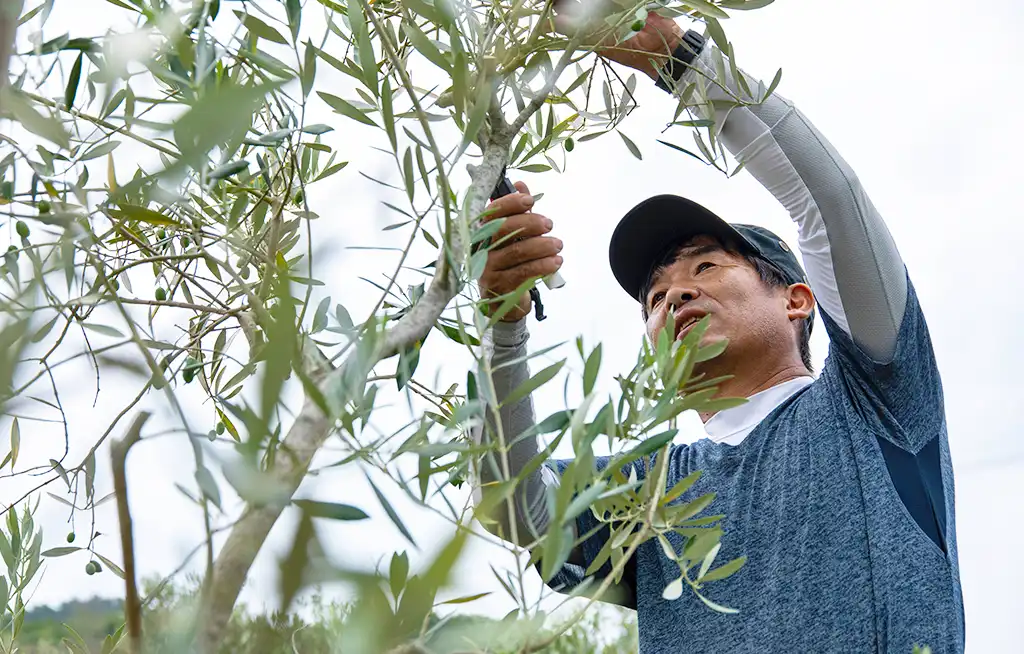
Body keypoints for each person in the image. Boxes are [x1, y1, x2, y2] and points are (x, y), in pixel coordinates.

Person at [471, 10, 964, 654]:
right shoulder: (651, 492)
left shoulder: (877, 398)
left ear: (798, 300)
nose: (673, 293)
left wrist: (683, 61)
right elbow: (513, 507)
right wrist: (501, 321)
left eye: (706, 265)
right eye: (652, 297)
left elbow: (827, 201)